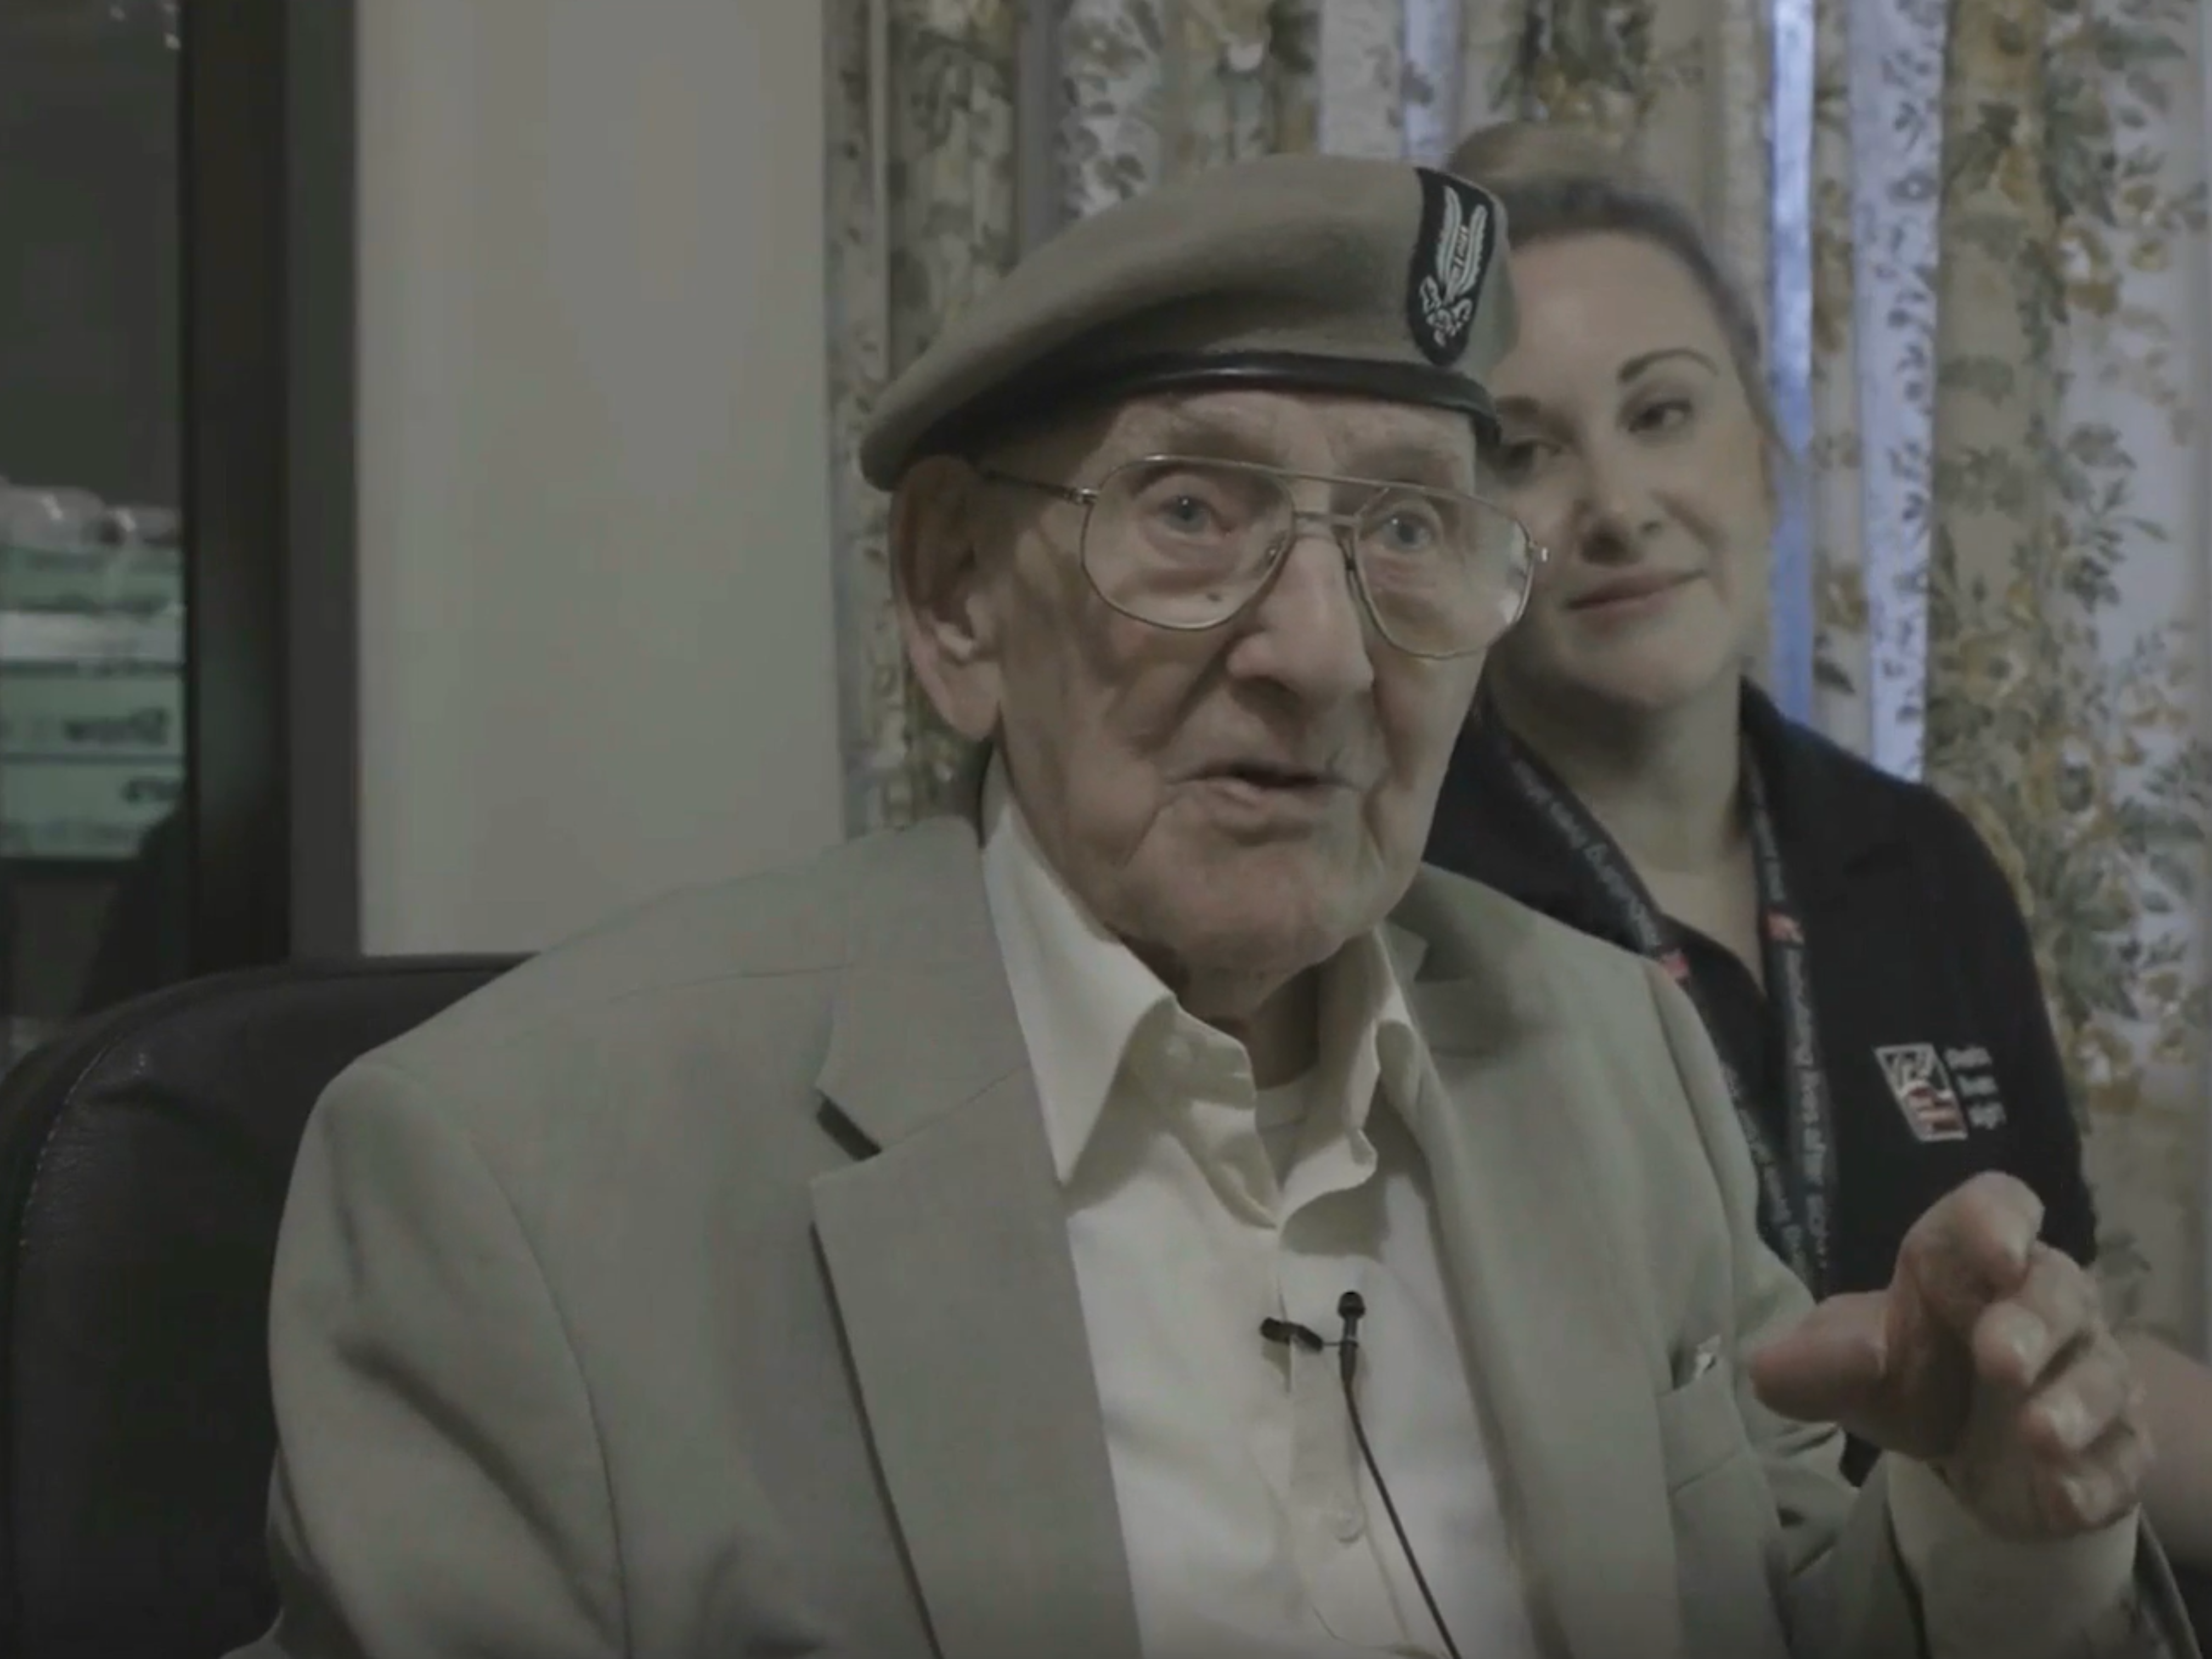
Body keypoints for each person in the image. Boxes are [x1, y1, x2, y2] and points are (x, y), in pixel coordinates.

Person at [228, 155, 2183, 1659]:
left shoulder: (1608, 1051)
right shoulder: (510, 1182)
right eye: (1195, 515)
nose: (1325, 655)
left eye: (1410, 531)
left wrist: (1996, 1534)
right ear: (957, 600)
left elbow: (1776, 1607)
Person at [1424, 120, 2212, 1565]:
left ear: (1769, 460)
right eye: (1524, 453)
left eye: (1662, 413)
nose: (1614, 507)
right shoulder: (1400, 905)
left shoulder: (1922, 864)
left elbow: (2066, 1359)